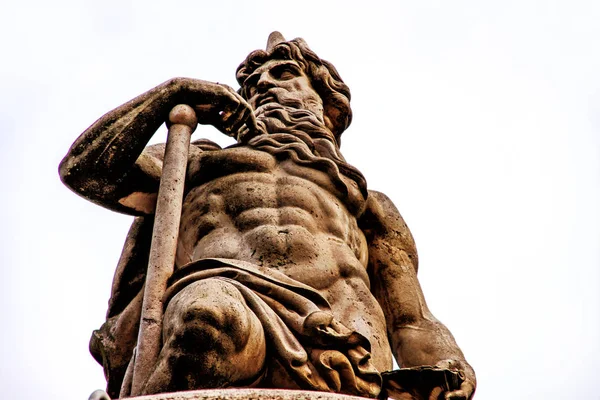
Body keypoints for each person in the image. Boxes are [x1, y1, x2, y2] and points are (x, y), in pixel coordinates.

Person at [60, 32, 476, 399]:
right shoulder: (192, 162)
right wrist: (170, 94)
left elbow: (411, 320)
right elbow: (85, 170)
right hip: (229, 297)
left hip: (347, 339)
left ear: (327, 104)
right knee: (203, 319)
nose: (262, 87)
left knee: (206, 316)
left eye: (282, 76)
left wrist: (453, 367)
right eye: (253, 84)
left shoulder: (367, 204)